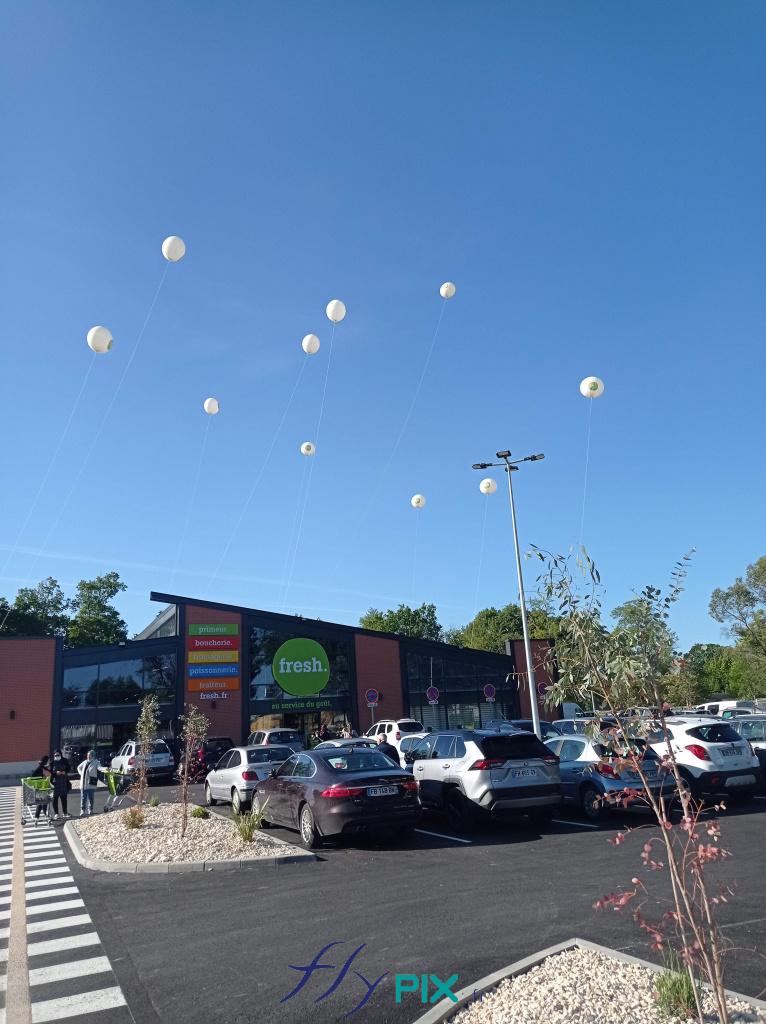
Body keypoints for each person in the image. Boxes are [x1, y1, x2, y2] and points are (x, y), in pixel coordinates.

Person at [49, 749, 71, 820]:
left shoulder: (65, 760)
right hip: (55, 783)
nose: (57, 756)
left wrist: (65, 771)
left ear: (61, 754)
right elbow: (50, 772)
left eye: (58, 755)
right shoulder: (52, 763)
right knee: (55, 799)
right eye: (55, 755)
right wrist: (55, 773)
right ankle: (56, 814)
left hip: (63, 782)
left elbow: (69, 768)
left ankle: (65, 813)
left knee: (64, 798)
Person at [77, 750, 99, 816]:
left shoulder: (96, 762)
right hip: (83, 783)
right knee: (83, 798)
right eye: (87, 755)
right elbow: (78, 767)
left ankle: (90, 809)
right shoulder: (85, 762)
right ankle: (82, 810)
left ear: (93, 756)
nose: (88, 756)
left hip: (91, 783)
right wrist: (81, 773)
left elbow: (99, 768)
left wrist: (104, 769)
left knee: (91, 797)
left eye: (90, 755)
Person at [30, 755, 51, 823]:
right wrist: (41, 779)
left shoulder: (42, 767)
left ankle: (40, 816)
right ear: (45, 761)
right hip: (41, 787)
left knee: (43, 802)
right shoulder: (41, 768)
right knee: (42, 802)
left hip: (42, 786)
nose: (49, 762)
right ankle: (40, 816)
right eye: (48, 761)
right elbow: (33, 776)